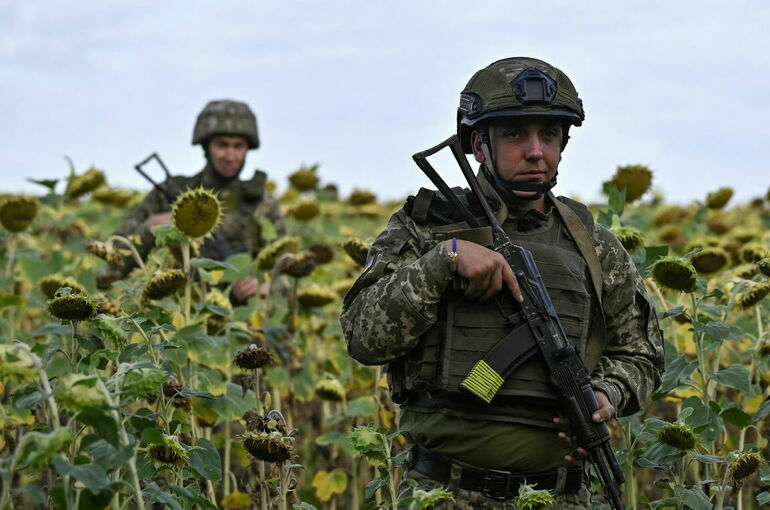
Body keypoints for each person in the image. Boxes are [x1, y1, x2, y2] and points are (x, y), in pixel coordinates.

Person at [339, 57, 664, 509]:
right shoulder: (426, 228)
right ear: (478, 144)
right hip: (443, 495)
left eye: (548, 135)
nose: (536, 151)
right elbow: (362, 335)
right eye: (515, 134)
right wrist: (443, 262)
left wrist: (608, 392)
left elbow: (642, 353)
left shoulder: (594, 246)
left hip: (560, 498)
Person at [103, 99, 286, 303]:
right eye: (222, 145)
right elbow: (114, 264)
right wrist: (149, 228)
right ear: (206, 147)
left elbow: (285, 272)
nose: (230, 156)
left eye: (238, 146)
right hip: (176, 317)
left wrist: (266, 285)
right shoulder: (171, 193)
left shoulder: (262, 204)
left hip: (240, 323)